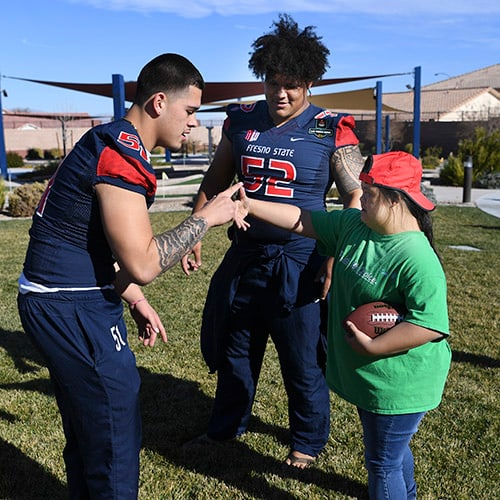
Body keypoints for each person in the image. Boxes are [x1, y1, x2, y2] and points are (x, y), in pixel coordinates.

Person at [17, 53, 242, 499]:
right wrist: (207, 218)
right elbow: (141, 260)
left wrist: (134, 299)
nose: (193, 124)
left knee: (90, 428)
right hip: (69, 305)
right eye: (191, 112)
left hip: (60, 297)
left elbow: (94, 244)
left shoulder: (110, 139)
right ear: (160, 103)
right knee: (114, 428)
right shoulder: (121, 153)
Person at [182, 14, 364, 468]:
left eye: (293, 85)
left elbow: (355, 194)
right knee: (235, 347)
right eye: (272, 82)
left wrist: (336, 253)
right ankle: (226, 427)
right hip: (246, 252)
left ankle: (307, 441)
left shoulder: (330, 127)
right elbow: (217, 175)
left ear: (310, 83)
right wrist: (196, 227)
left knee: (302, 357)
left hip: (301, 256)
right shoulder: (241, 120)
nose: (280, 93)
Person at [234, 151, 452, 498]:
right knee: (390, 450)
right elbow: (302, 220)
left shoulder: (416, 257)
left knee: (381, 463)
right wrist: (251, 205)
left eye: (369, 192)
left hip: (400, 383)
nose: (358, 197)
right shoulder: (356, 226)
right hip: (372, 378)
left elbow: (429, 325)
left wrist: (373, 346)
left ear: (396, 200)